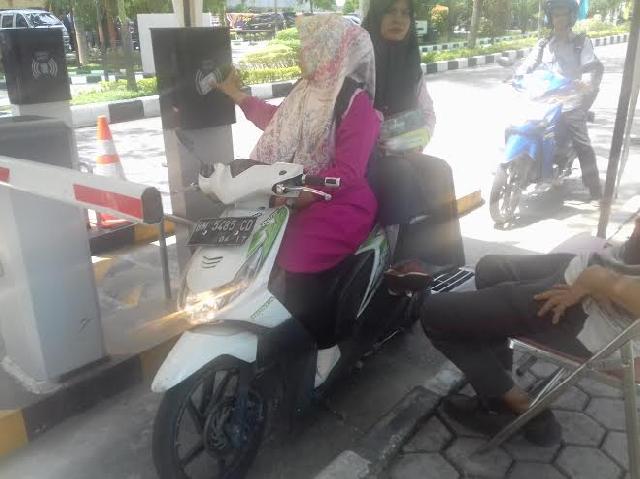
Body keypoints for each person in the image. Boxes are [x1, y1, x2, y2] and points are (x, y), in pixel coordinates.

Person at [213, 14, 380, 350]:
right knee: (243, 246)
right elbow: (278, 123)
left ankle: (322, 344)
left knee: (295, 256)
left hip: (339, 202)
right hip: (289, 190)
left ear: (329, 49)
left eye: (308, 45)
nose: (301, 52)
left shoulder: (353, 101)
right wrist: (237, 95)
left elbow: (348, 171)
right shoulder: (306, 90)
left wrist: (306, 192)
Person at [420, 218, 640, 446]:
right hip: (593, 273)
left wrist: (599, 281)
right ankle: (499, 392)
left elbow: (604, 280)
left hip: (590, 315)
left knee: (434, 313)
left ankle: (519, 404)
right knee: (490, 269)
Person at [363, 0, 465, 290]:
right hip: (361, 153)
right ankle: (398, 261)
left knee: (440, 169)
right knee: (400, 174)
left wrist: (415, 142)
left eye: (405, 13)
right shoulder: (360, 62)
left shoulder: (411, 68)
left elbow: (428, 114)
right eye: (390, 11)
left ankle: (443, 259)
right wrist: (374, 137)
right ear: (377, 16)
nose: (399, 19)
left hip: (400, 151)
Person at [518, 0, 604, 201]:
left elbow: (590, 65)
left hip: (570, 101)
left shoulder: (581, 43)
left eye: (564, 14)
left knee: (582, 144)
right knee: (522, 127)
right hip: (544, 100)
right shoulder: (544, 44)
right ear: (551, 18)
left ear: (571, 17)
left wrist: (586, 82)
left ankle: (595, 190)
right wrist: (518, 74)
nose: (559, 19)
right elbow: (529, 63)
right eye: (556, 15)